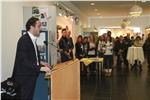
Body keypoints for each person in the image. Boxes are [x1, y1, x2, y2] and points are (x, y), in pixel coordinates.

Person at [12, 17, 51, 100]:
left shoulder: (32, 39)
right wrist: (41, 68)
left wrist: (42, 63)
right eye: (39, 26)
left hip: (30, 76)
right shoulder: (24, 40)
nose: (40, 29)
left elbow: (33, 58)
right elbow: (24, 61)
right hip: (24, 78)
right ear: (32, 27)